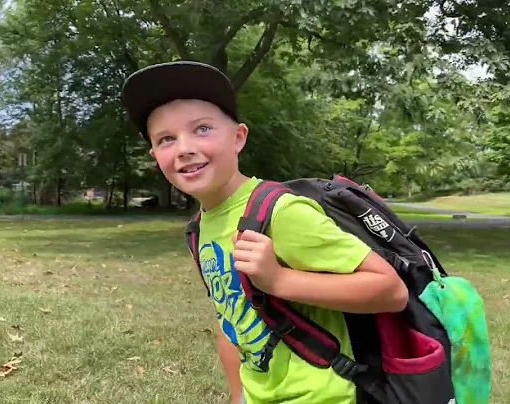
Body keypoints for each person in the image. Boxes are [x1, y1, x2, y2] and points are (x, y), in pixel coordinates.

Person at [122, 61, 409, 404]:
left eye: (201, 129)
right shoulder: (200, 229)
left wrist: (278, 281)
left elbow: (391, 291)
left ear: (238, 137)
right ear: (156, 156)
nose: (184, 147)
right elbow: (230, 320)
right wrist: (238, 396)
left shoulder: (281, 212)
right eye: (166, 139)